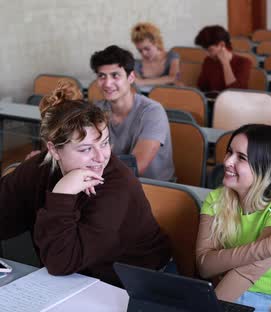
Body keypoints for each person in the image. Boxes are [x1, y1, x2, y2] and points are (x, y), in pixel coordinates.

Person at [0, 82, 171, 286]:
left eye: (105, 143)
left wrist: (63, 194)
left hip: (137, 283)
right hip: (79, 280)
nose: (101, 157)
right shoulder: (38, 168)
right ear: (54, 151)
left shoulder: (117, 185)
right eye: (85, 149)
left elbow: (61, 262)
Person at [195, 124, 271, 311]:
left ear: (266, 167)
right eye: (229, 152)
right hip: (223, 296)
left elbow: (249, 271)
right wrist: (265, 247)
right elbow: (204, 265)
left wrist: (212, 307)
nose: (227, 162)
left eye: (241, 157)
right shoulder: (216, 199)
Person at [91, 45, 175, 181]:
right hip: (110, 183)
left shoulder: (153, 112)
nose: (107, 83)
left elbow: (135, 166)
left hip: (154, 189)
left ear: (131, 77)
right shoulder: (96, 110)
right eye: (102, 76)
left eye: (115, 75)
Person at [195, 25, 251, 96]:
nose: (207, 54)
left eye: (210, 50)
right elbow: (202, 87)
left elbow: (235, 93)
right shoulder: (208, 61)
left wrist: (225, 63)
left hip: (233, 105)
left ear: (222, 45)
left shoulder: (244, 63)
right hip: (212, 104)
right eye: (205, 50)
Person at [131, 22, 180, 87]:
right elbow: (137, 84)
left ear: (156, 43)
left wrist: (143, 82)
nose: (144, 53)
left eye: (147, 48)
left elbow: (174, 78)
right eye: (140, 50)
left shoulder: (172, 56)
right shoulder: (137, 63)